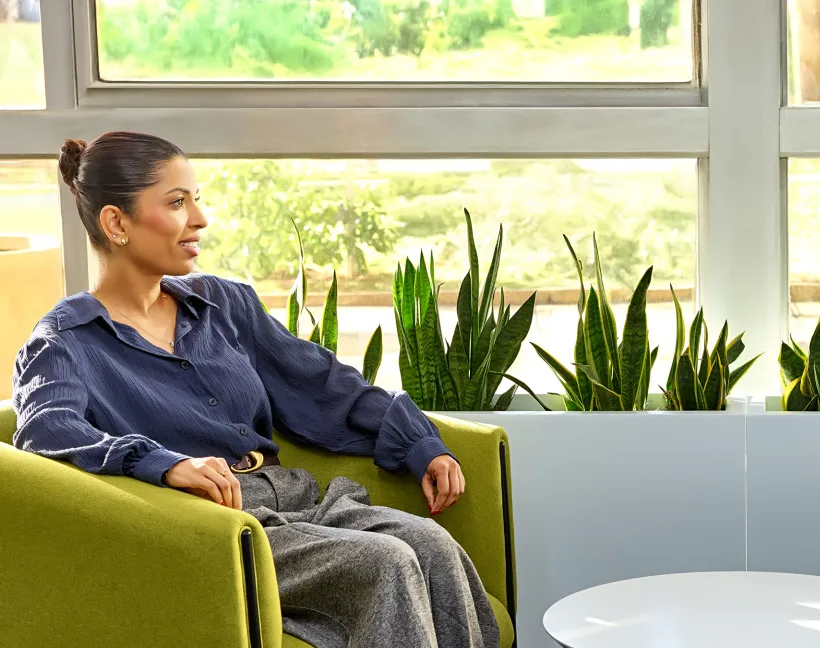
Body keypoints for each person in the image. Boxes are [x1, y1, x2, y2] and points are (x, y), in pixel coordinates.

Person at [11, 132, 501, 648]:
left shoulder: (224, 302)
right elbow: (47, 433)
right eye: (178, 202)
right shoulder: (63, 341)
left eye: (196, 199)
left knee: (432, 544)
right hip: (209, 529)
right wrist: (165, 463)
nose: (200, 219)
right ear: (117, 223)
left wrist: (419, 444)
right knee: (387, 562)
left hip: (297, 500)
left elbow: (321, 382)